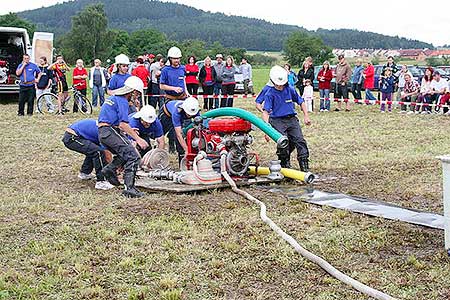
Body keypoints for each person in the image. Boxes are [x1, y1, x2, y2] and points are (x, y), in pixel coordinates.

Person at [98, 76, 149, 198]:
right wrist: (138, 139)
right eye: (137, 94)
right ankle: (129, 188)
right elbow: (123, 124)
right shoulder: (122, 101)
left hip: (104, 132)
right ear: (132, 92)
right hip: (110, 130)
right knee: (134, 156)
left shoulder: (114, 98)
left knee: (124, 154)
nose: (137, 97)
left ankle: (109, 169)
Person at [263, 65, 311, 171]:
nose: (280, 87)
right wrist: (266, 130)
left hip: (291, 119)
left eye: (282, 84)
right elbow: (266, 112)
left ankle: (305, 167)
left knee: (300, 141)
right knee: (283, 143)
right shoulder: (270, 94)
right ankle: (284, 165)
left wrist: (306, 116)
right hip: (277, 120)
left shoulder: (290, 89)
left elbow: (301, 101)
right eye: (278, 85)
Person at [62, 119, 115, 190]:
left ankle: (85, 173)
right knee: (98, 152)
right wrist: (112, 169)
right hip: (72, 138)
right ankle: (102, 182)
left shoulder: (105, 127)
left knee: (93, 150)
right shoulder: (105, 133)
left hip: (76, 136)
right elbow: (107, 154)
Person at [160, 46, 188, 153]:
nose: (177, 61)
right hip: (170, 100)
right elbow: (162, 86)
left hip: (182, 99)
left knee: (182, 126)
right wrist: (173, 88)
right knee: (169, 125)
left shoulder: (182, 68)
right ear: (170, 59)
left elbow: (183, 82)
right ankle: (168, 145)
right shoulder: (165, 70)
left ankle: (181, 150)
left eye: (178, 58)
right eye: (174, 58)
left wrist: (187, 93)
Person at [159, 97, 200, 164]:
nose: (190, 116)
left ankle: (182, 160)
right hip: (166, 115)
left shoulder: (195, 111)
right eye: (188, 114)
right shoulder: (177, 112)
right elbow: (179, 135)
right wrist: (186, 150)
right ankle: (159, 152)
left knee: (186, 135)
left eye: (191, 115)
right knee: (160, 134)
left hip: (181, 117)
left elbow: (199, 126)